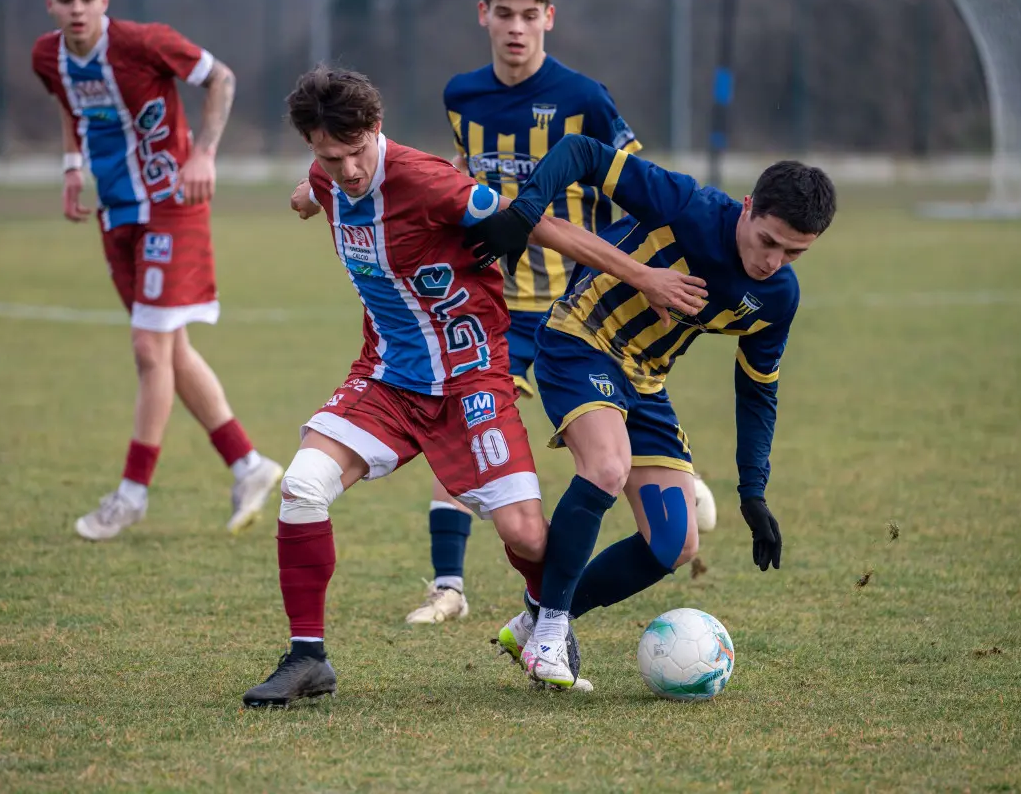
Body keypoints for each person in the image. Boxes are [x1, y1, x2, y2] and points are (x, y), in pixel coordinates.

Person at [242, 67, 708, 708]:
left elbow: (542, 225)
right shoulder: (327, 178)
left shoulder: (430, 182)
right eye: (331, 157)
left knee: (528, 537)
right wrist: (306, 195)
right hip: (386, 379)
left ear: (378, 128)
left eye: (358, 153)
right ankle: (307, 658)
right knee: (300, 486)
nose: (349, 170)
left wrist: (645, 277)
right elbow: (317, 188)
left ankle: (549, 624)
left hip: (471, 383)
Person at [463, 134, 836, 676]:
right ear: (748, 208)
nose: (773, 262)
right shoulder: (688, 205)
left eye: (794, 253)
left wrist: (753, 492)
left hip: (645, 380)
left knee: (674, 543)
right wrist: (526, 209)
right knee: (607, 467)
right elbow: (580, 152)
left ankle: (537, 618)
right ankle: (549, 636)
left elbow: (758, 391)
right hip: (579, 339)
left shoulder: (778, 298)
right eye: (768, 241)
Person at [392, 0, 647, 627]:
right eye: (504, 12)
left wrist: (629, 269)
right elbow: (463, 173)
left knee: (600, 448)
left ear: (550, 17)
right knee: (463, 428)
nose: (516, 27)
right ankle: (448, 587)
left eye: (529, 15)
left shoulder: (585, 96)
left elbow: (635, 181)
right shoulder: (462, 95)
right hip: (492, 305)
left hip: (575, 309)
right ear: (482, 14)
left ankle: (669, 492)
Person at [31, 0, 282, 541]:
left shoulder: (144, 42)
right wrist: (72, 165)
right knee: (169, 347)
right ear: (50, 3)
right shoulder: (47, 57)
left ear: (104, 1)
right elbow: (67, 104)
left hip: (172, 203)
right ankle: (248, 464)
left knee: (149, 346)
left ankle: (131, 494)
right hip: (117, 210)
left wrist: (205, 153)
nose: (77, 8)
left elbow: (222, 79)